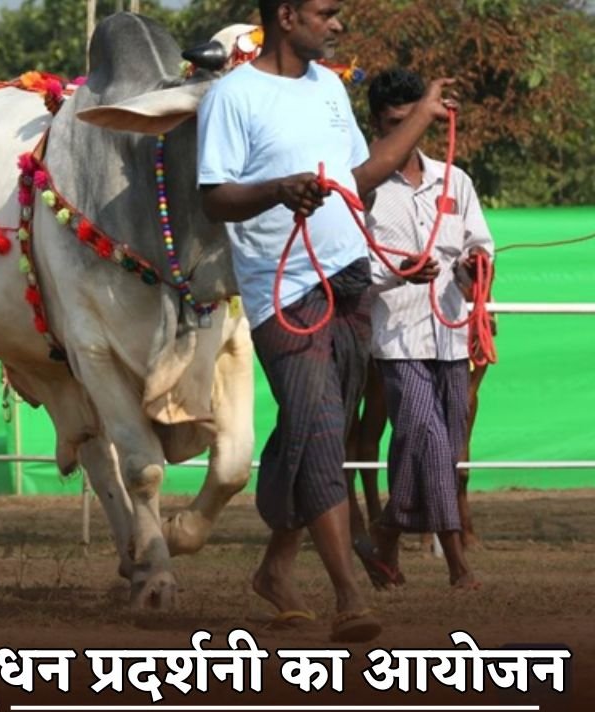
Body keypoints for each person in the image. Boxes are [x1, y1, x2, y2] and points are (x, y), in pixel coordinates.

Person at [196, 0, 454, 642]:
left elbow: (358, 178)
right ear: (287, 15)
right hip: (284, 291)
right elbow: (215, 196)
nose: (338, 24)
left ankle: (275, 570)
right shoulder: (233, 96)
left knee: (317, 433)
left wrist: (422, 116)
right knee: (318, 425)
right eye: (326, 12)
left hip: (349, 277)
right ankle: (347, 595)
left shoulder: (332, 88)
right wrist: (277, 190)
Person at [364, 68, 492, 590]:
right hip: (395, 338)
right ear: (377, 123)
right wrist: (398, 272)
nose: (412, 131)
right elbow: (347, 267)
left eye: (417, 120)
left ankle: (384, 539)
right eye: (399, 122)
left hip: (451, 333)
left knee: (433, 444)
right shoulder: (363, 186)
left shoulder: (454, 180)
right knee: (429, 438)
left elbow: (479, 243)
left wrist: (474, 268)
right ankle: (458, 564)